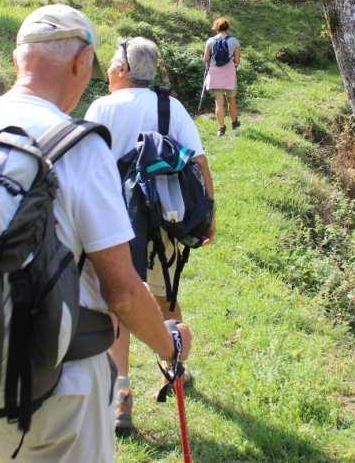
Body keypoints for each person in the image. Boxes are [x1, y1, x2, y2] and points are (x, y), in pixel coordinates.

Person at [0, 6, 192, 462]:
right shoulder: (81, 145)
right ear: (80, 61)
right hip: (57, 370)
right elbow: (123, 292)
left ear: (17, 58)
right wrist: (172, 345)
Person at [84, 36, 215, 434]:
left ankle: (121, 393)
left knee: (118, 303)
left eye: (110, 64)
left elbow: (86, 165)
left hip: (109, 223)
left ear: (123, 69)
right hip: (162, 220)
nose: (107, 71)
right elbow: (199, 164)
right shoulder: (169, 106)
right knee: (163, 295)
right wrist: (209, 217)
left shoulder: (101, 107)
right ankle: (174, 366)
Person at [203, 18, 241, 136]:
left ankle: (221, 128)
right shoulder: (234, 41)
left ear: (216, 27)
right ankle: (234, 123)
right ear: (227, 27)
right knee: (231, 100)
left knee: (218, 103)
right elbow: (237, 60)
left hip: (215, 75)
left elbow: (206, 59)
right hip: (229, 74)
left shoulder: (210, 41)